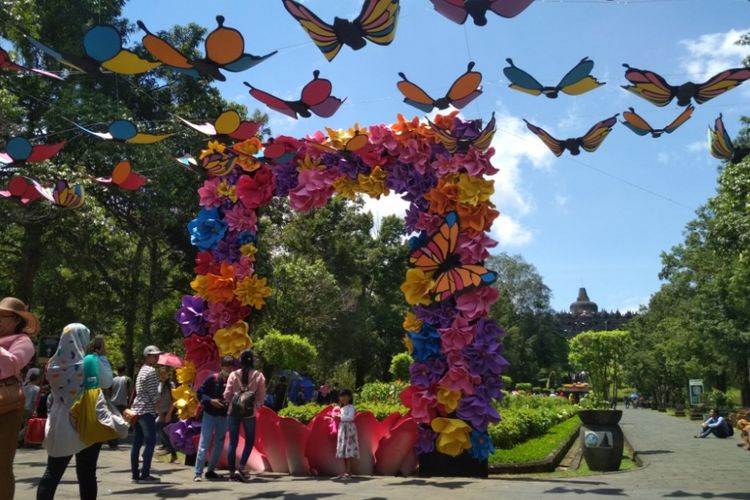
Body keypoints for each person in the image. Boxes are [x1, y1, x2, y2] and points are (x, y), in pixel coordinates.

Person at [37, 324, 113, 500]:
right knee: (87, 473)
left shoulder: (51, 363)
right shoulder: (90, 362)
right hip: (87, 419)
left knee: (53, 472)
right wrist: (101, 357)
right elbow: (107, 382)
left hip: (60, 421)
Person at [0, 297, 38, 498]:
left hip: (6, 404)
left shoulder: (23, 342)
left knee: (2, 465)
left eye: (3, 315)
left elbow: (11, 364)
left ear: (16, 320)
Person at [224, 349, 266, 482]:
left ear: (240, 361)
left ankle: (231, 472)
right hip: (249, 413)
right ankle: (241, 467)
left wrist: (232, 401)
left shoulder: (233, 374)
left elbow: (226, 395)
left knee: (233, 442)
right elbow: (261, 398)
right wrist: (257, 404)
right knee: (249, 441)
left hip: (233, 412)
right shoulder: (259, 376)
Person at [194, 356, 233, 482]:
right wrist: (211, 401)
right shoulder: (213, 378)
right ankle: (198, 473)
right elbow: (200, 393)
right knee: (204, 442)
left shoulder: (233, 381)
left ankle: (210, 470)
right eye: (226, 365)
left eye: (230, 366)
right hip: (210, 414)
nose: (228, 368)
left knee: (219, 444)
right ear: (221, 366)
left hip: (223, 416)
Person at [130, 345, 162, 483]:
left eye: (157, 355)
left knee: (137, 442)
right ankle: (145, 474)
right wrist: (159, 410)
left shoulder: (141, 370)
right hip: (147, 411)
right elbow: (153, 394)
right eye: (154, 355)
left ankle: (135, 473)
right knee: (150, 442)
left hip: (136, 410)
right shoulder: (151, 372)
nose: (156, 357)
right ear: (147, 356)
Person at [334, 389, 359, 479]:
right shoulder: (340, 408)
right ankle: (345, 471)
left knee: (349, 450)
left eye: (345, 396)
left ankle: (348, 471)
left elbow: (350, 418)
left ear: (350, 397)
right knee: (344, 450)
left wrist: (339, 417)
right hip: (342, 429)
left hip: (349, 429)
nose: (343, 398)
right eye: (341, 396)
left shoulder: (351, 407)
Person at [156, 366, 178, 463]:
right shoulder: (158, 384)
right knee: (162, 432)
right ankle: (172, 453)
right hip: (160, 412)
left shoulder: (171, 384)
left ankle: (172, 452)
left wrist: (169, 413)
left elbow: (174, 400)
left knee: (162, 430)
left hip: (168, 412)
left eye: (164, 374)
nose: (163, 375)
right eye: (161, 374)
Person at [108, 365, 132, 448]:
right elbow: (130, 392)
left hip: (113, 403)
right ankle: (116, 440)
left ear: (117, 371)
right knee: (121, 423)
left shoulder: (113, 379)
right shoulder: (127, 379)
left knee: (113, 423)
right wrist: (129, 403)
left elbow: (109, 391)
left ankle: (112, 441)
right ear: (124, 370)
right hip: (122, 403)